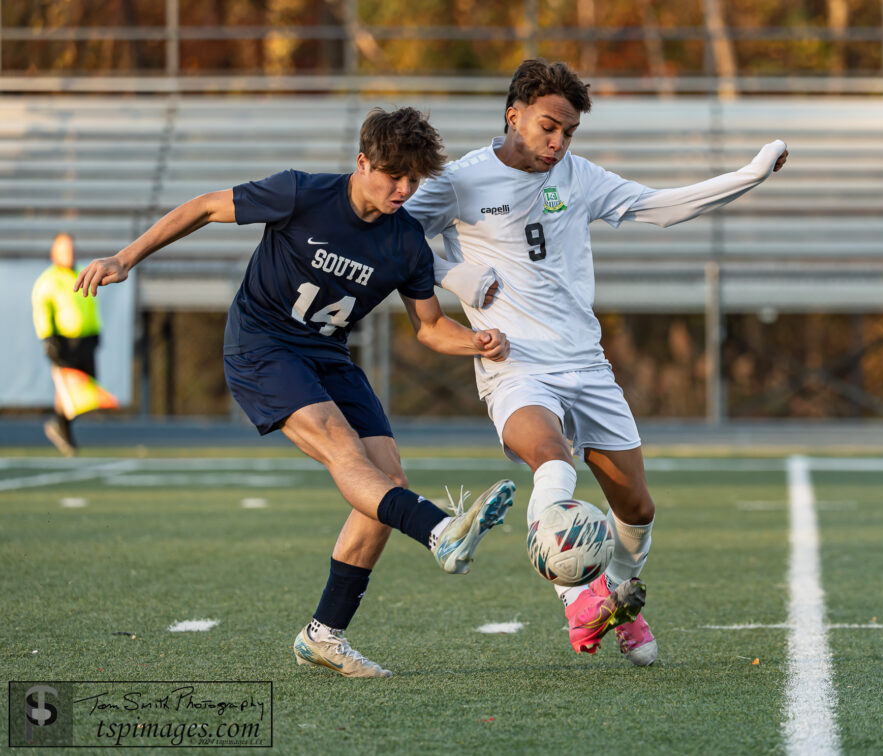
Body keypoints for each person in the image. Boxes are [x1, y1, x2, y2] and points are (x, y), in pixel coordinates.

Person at [75, 106, 516, 679]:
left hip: (329, 354)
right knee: (344, 449)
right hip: (261, 345)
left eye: (414, 179)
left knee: (387, 482)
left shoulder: (407, 240)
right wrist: (124, 257)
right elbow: (205, 207)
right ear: (362, 163)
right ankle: (438, 529)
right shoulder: (300, 194)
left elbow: (429, 328)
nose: (404, 188)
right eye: (393, 174)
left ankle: (323, 634)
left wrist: (478, 342)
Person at [407, 59, 789, 667]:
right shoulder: (460, 182)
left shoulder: (578, 178)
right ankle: (578, 600)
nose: (557, 143)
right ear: (514, 115)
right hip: (515, 365)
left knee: (636, 507)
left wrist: (749, 175)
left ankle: (615, 598)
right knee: (552, 461)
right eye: (547, 127)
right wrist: (453, 273)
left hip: (586, 364)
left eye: (568, 132)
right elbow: (389, 238)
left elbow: (662, 208)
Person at [31, 233, 107, 456]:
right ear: (54, 253)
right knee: (68, 391)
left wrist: (95, 332)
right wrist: (48, 338)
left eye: (71, 248)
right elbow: (42, 309)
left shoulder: (81, 272)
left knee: (83, 393)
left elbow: (90, 306)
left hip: (85, 340)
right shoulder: (49, 280)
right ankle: (62, 429)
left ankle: (60, 425)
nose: (69, 253)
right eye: (64, 249)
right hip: (64, 341)